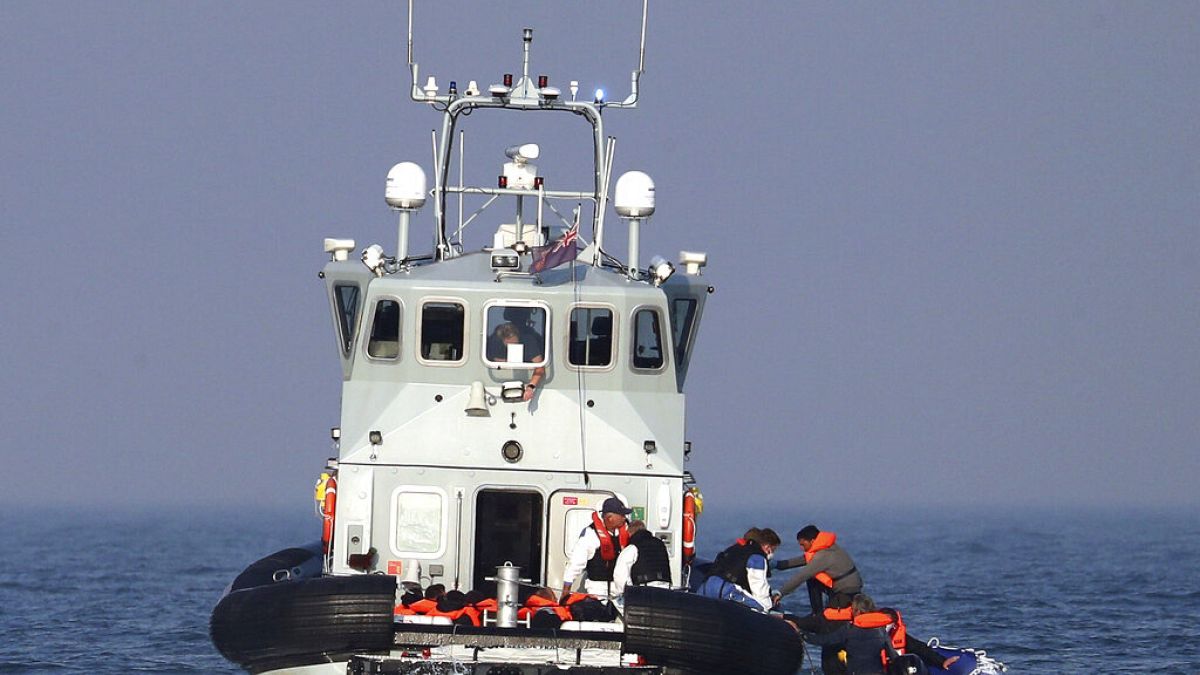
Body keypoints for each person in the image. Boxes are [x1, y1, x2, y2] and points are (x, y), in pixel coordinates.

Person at [800, 594, 898, 675]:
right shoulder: (881, 630)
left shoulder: (849, 629)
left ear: (858, 611)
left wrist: (802, 634)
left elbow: (825, 640)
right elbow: (893, 655)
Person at [775, 524, 863, 614]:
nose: (801, 548)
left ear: (812, 541)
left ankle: (817, 615)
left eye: (803, 544)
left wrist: (780, 593)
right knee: (813, 580)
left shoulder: (823, 555)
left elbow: (801, 576)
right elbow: (801, 560)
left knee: (811, 579)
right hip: (849, 587)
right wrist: (776, 565)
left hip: (846, 591)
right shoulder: (828, 547)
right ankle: (818, 613)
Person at [561, 496, 632, 602]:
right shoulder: (590, 535)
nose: (624, 518)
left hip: (619, 591)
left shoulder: (626, 531)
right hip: (597, 589)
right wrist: (565, 591)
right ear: (610, 518)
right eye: (621, 515)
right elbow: (575, 564)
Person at [697, 527, 781, 612]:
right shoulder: (757, 558)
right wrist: (768, 608)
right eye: (773, 550)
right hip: (726, 589)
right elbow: (760, 588)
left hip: (706, 586)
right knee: (761, 609)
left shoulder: (732, 550)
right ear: (767, 547)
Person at [488, 321, 545, 400]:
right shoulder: (495, 343)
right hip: (498, 384)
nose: (512, 345)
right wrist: (505, 362)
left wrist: (530, 387)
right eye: (508, 342)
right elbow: (491, 359)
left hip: (527, 381)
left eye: (514, 342)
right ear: (502, 339)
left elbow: (540, 367)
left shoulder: (529, 342)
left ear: (518, 335)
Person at [613, 520, 672, 593]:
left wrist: (625, 593)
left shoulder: (632, 548)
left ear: (630, 533)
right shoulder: (660, 545)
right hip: (665, 589)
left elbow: (620, 575)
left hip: (644, 591)